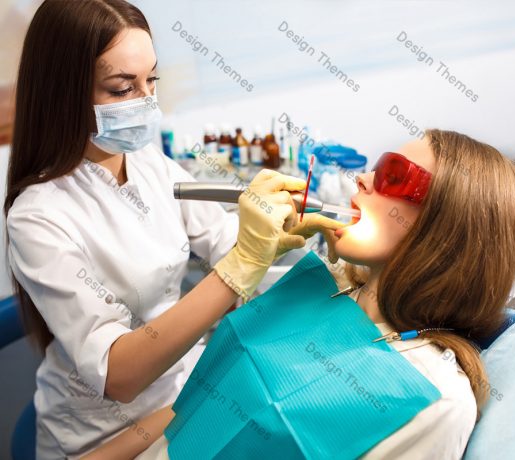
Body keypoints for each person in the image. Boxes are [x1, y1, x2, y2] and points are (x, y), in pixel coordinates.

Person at [3, 1, 343, 458]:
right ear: (65, 94)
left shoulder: (145, 161)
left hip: (180, 389)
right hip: (102, 432)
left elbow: (224, 241)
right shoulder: (38, 217)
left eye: (151, 81)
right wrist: (239, 267)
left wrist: (322, 271)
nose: (146, 102)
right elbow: (116, 374)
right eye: (123, 89)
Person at [137, 129, 515, 459]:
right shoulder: (323, 285)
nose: (363, 179)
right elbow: (194, 409)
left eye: (395, 175)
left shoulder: (435, 400)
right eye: (376, 168)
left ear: (448, 230)